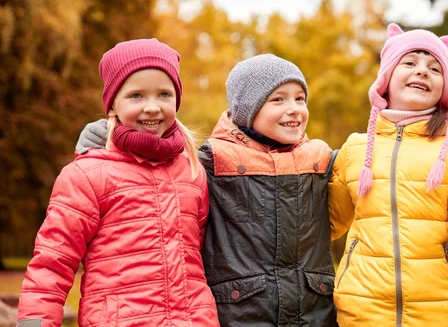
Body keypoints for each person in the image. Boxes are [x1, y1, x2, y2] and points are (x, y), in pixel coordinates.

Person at [74, 53, 337, 326]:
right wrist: (106, 136)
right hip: (242, 313)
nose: (294, 108)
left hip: (313, 311)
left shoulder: (319, 158)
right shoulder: (213, 160)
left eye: (300, 98)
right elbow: (159, 179)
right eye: (278, 99)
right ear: (248, 107)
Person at [17, 39, 219, 327]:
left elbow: (200, 256)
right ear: (112, 104)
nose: (152, 107)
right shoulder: (87, 175)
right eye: (136, 96)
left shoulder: (192, 172)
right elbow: (53, 261)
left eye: (164, 94)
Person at [328, 24, 448, 326]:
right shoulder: (355, 148)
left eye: (435, 68)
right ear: (386, 79)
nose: (422, 71)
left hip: (438, 313)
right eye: (409, 63)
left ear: (444, 88)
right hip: (360, 311)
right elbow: (325, 225)